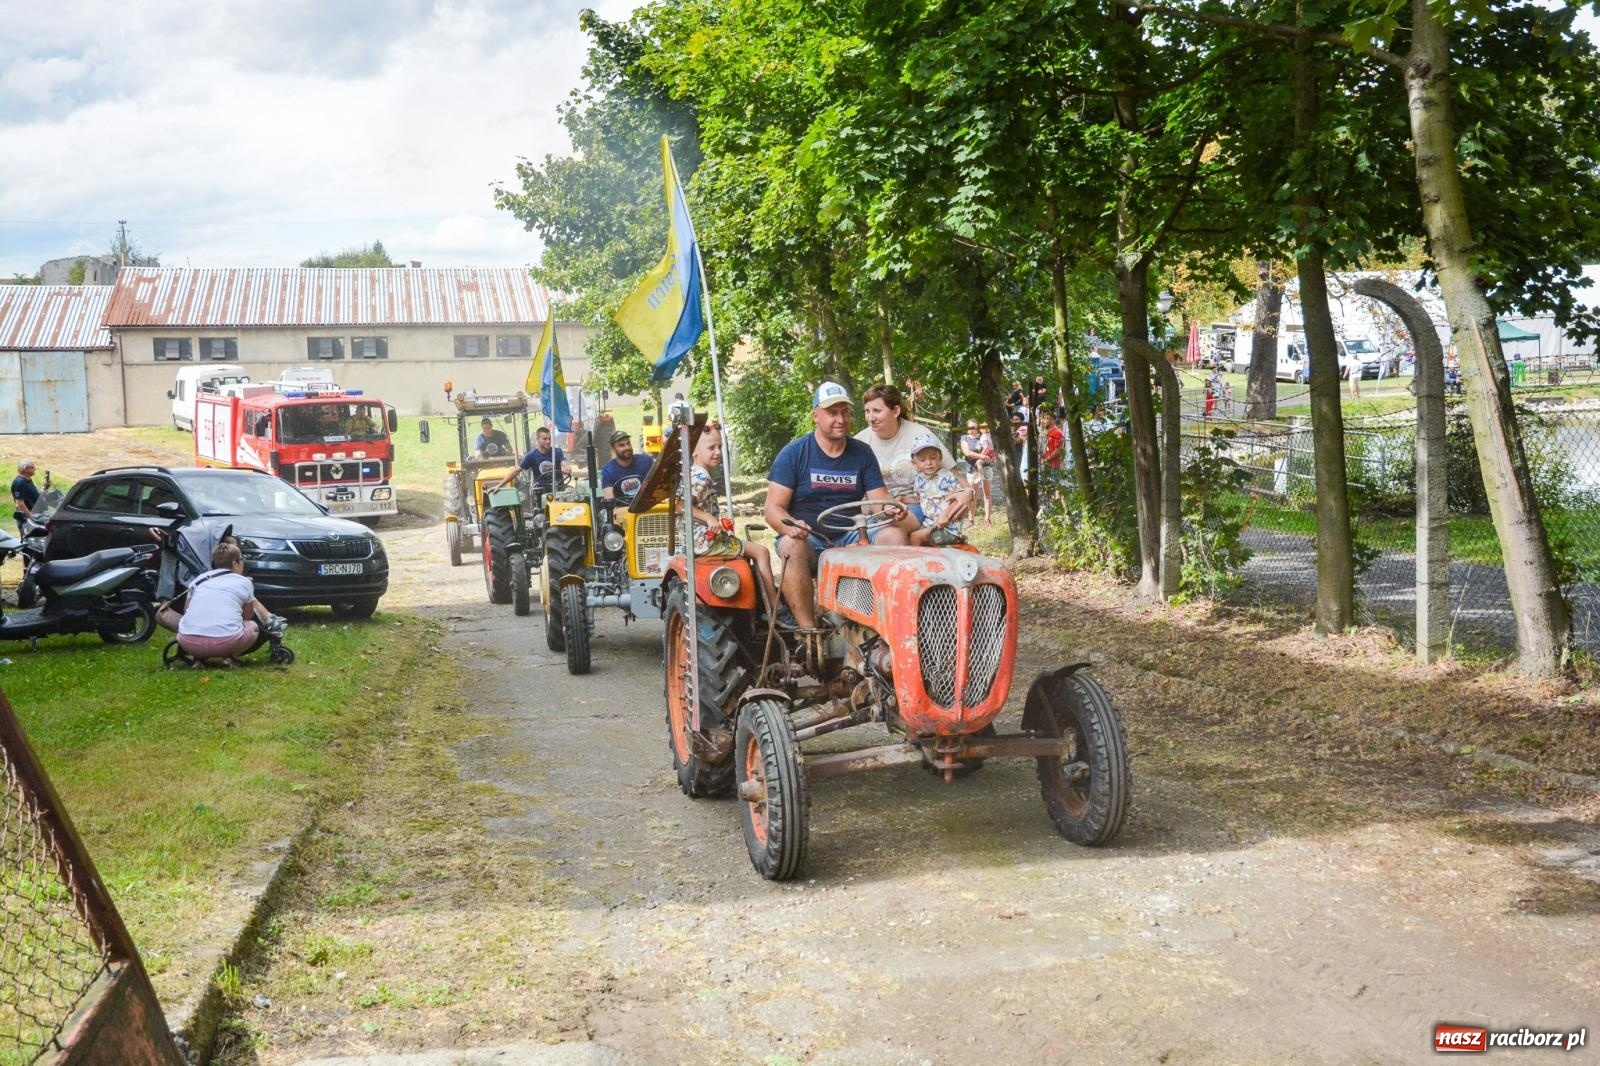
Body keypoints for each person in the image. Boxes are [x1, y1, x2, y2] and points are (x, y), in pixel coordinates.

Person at [764, 381, 906, 629]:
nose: (841, 419)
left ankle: (884, 629)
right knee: (790, 545)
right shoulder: (794, 453)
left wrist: (890, 509)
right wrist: (791, 526)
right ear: (815, 416)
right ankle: (808, 632)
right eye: (832, 413)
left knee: (894, 535)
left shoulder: (862, 452)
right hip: (811, 538)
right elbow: (772, 509)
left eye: (845, 412)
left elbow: (879, 501)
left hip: (851, 535)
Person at [855, 383, 970, 535]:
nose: (870, 418)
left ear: (896, 411)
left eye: (877, 411)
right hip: (870, 509)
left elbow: (958, 479)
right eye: (867, 411)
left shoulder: (921, 435)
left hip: (911, 505)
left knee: (890, 529)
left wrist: (968, 493)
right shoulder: (858, 442)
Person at [690, 426, 778, 608]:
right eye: (711, 448)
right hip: (706, 543)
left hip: (700, 540)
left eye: (720, 447)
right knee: (761, 552)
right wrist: (708, 518)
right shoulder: (700, 477)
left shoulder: (694, 473)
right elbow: (681, 506)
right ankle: (775, 606)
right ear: (694, 451)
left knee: (746, 550)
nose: (717, 452)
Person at [159, 540, 271, 666]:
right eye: (242, 559)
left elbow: (187, 610)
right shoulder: (244, 582)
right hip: (225, 642)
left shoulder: (199, 580)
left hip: (189, 642)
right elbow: (248, 616)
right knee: (252, 626)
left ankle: (198, 660)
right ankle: (229, 658)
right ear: (235, 563)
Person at [908, 434, 972, 546]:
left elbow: (958, 500)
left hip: (948, 526)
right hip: (930, 524)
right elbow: (919, 499)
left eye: (933, 458)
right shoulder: (919, 479)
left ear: (940, 457)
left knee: (915, 537)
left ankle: (925, 557)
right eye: (922, 460)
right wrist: (902, 499)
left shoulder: (947, 476)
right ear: (914, 463)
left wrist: (945, 514)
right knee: (909, 535)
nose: (929, 463)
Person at [492, 424, 569, 496]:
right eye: (544, 439)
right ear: (537, 440)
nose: (548, 441)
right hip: (541, 490)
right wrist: (499, 485)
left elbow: (564, 463)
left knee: (570, 491)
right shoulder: (531, 456)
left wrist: (567, 468)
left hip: (558, 488)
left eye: (549, 439)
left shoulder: (557, 452)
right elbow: (516, 471)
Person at [600, 430, 653, 503]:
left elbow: (658, 487)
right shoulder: (608, 471)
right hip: (622, 508)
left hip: (647, 505)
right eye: (622, 445)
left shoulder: (647, 461)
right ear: (613, 449)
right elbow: (610, 501)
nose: (627, 447)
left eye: (628, 443)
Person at [958, 419, 993, 525]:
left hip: (986, 468)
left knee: (987, 494)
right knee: (973, 495)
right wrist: (982, 456)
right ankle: (971, 520)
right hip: (972, 469)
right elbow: (967, 452)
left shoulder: (983, 436)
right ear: (967, 427)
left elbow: (991, 448)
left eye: (975, 427)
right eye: (971, 427)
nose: (973, 429)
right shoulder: (964, 438)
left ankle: (987, 520)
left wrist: (990, 458)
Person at [11, 460, 39, 537]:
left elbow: (32, 496)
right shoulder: (20, 482)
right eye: (33, 467)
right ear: (26, 469)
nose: (35, 469)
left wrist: (45, 488)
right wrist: (31, 516)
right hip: (27, 520)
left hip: (33, 517)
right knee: (29, 540)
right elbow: (20, 504)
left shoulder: (27, 480)